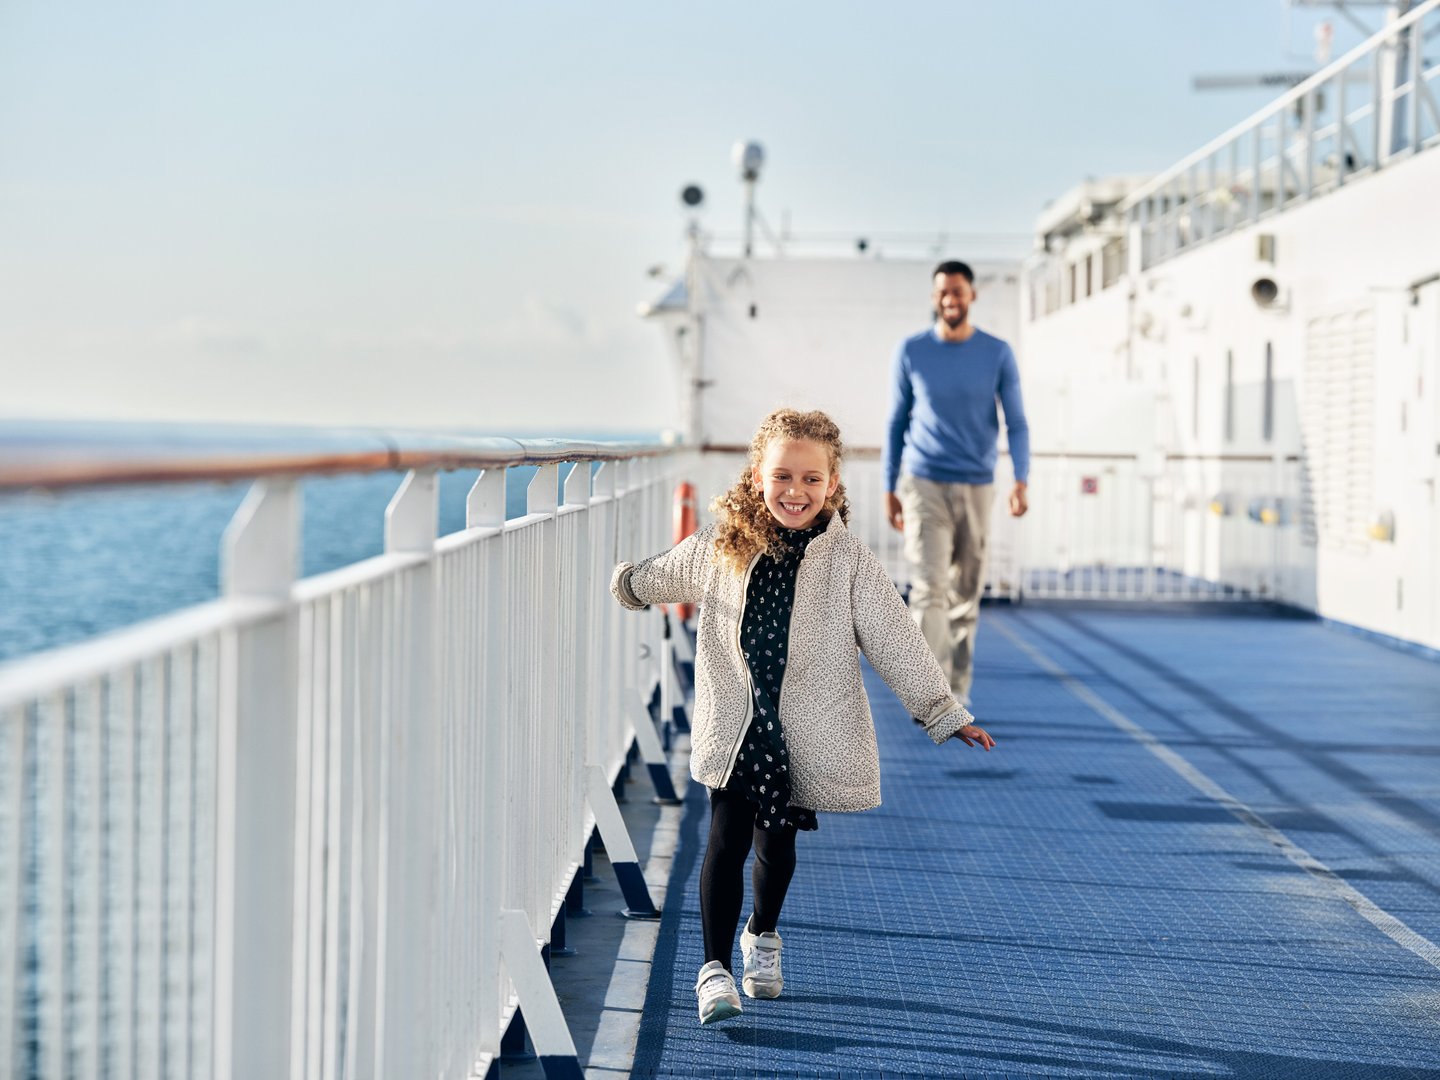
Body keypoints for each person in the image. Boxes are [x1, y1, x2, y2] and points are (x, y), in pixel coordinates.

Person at [610, 408, 995, 1026]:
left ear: (834, 486)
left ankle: (761, 935)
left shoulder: (849, 563)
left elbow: (896, 640)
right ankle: (713, 972)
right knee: (725, 839)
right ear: (757, 477)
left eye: (812, 480)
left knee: (776, 848)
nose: (796, 491)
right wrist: (628, 582)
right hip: (735, 726)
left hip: (798, 735)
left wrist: (944, 712)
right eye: (783, 476)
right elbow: (665, 574)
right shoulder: (720, 545)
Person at [883, 260, 1031, 705]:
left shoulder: (997, 352)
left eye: (958, 292)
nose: (950, 300)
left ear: (971, 296)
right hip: (923, 481)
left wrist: (1021, 480)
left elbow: (1017, 422)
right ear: (935, 298)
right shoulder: (911, 351)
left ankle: (958, 689)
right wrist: (889, 485)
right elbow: (896, 422)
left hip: (977, 486)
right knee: (928, 589)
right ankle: (931, 696)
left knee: (966, 593)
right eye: (943, 293)